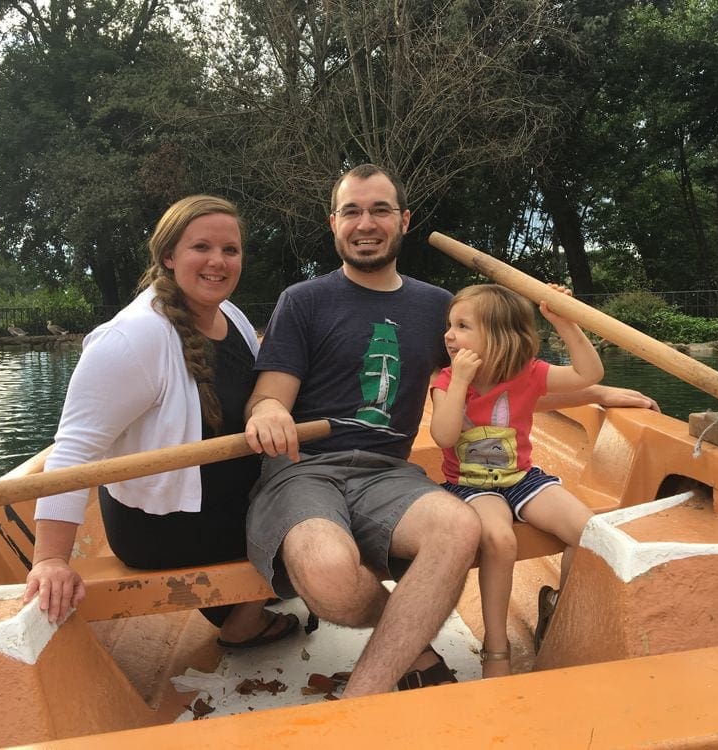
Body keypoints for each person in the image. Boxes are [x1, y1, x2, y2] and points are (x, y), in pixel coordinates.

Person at [242, 163, 657, 696]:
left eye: (380, 210)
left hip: (388, 471)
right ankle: (413, 644)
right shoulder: (303, 300)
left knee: (460, 529)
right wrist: (270, 412)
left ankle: (362, 694)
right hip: (303, 469)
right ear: (334, 223)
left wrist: (595, 392)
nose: (365, 223)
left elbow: (503, 383)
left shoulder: (439, 308)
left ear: (404, 220)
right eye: (352, 211)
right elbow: (268, 396)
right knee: (329, 577)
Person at [23, 195, 299, 651]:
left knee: (317, 484)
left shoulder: (232, 317)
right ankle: (244, 621)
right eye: (201, 248)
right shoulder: (132, 339)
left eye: (230, 250)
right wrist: (51, 558)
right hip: (165, 525)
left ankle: (241, 598)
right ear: (169, 256)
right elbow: (73, 454)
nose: (218, 261)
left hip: (222, 505)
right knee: (317, 521)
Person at [429, 283, 606, 678]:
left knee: (590, 532)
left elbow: (589, 373)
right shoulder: (445, 380)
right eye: (449, 325)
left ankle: (558, 617)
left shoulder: (529, 374)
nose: (449, 334)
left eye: (462, 326)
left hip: (521, 479)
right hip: (469, 486)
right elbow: (442, 436)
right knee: (500, 539)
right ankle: (496, 650)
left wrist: (565, 322)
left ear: (498, 337)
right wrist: (459, 382)